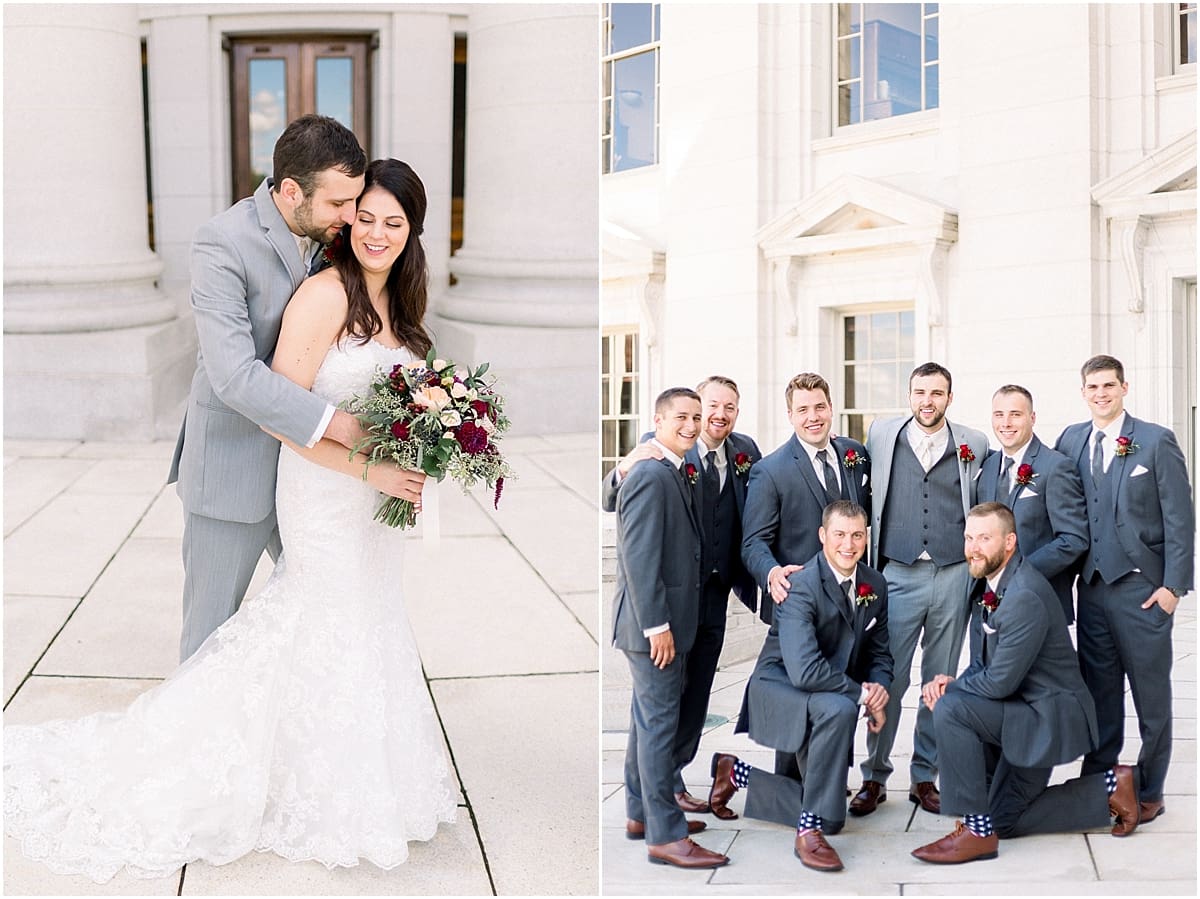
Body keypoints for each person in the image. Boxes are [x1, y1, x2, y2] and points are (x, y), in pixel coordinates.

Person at [3, 159, 458, 882]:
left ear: (413, 233)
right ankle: (196, 758)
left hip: (370, 514)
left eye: (391, 221)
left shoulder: (403, 313)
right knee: (300, 621)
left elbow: (408, 412)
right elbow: (282, 412)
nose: (372, 230)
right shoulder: (322, 291)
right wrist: (371, 465)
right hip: (322, 492)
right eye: (361, 215)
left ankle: (357, 775)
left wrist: (434, 448)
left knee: (366, 624)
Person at [168, 114, 424, 662]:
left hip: (312, 481)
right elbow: (234, 374)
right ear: (290, 191)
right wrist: (348, 426)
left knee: (323, 624)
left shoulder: (329, 235)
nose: (353, 218)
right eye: (340, 205)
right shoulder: (221, 244)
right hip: (234, 467)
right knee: (210, 639)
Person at [912, 503, 1139, 865]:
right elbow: (987, 665)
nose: (974, 547)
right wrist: (953, 682)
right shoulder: (992, 583)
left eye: (985, 538)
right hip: (1023, 709)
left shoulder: (1023, 595)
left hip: (1047, 718)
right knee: (1005, 820)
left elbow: (999, 682)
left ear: (1009, 542)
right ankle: (1111, 787)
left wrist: (951, 693)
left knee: (953, 710)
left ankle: (975, 831)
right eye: (969, 537)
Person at [601, 375, 762, 815]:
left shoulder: (745, 452)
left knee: (695, 695)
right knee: (660, 701)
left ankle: (666, 781)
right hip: (671, 598)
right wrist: (623, 464)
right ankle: (660, 797)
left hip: (715, 593)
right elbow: (613, 499)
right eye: (710, 405)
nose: (717, 415)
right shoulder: (663, 452)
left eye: (729, 406)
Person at [708, 501, 892, 872]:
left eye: (857, 535)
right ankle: (808, 830)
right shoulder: (801, 585)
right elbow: (805, 670)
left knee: (835, 818)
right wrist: (860, 695)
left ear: (866, 537)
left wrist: (879, 689)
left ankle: (737, 773)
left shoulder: (875, 583)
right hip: (782, 683)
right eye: (839, 534)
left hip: (824, 685)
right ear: (823, 536)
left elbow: (881, 653)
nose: (849, 544)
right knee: (840, 709)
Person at [1054, 354, 1194, 825]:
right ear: (1083, 391)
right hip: (1091, 590)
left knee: (1151, 697)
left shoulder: (1156, 441)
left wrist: (1174, 587)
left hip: (1142, 592)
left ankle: (1151, 788)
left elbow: (1180, 518)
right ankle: (1102, 780)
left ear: (1124, 387)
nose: (1101, 394)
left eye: (1109, 386)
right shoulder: (1071, 440)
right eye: (1092, 387)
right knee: (1100, 695)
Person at [851, 362, 989, 817]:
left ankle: (925, 775)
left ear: (950, 397)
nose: (927, 401)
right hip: (897, 573)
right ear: (909, 395)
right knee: (888, 676)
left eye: (936, 393)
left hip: (953, 574)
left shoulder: (975, 443)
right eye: (919, 392)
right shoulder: (881, 436)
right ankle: (874, 775)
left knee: (939, 679)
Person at [612, 387, 729, 869]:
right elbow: (639, 559)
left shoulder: (677, 467)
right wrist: (657, 626)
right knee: (659, 726)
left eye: (697, 417)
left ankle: (641, 813)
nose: (692, 425)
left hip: (667, 622)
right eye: (682, 416)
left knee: (647, 723)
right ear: (657, 421)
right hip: (652, 626)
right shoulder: (648, 473)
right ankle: (666, 834)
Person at [976, 384, 1088, 623]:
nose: (1005, 423)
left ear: (1032, 418)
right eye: (999, 415)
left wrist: (1018, 573)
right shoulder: (987, 467)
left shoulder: (1056, 466)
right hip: (990, 603)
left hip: (1040, 599)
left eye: (1015, 414)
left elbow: (1074, 539)